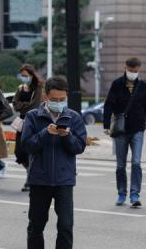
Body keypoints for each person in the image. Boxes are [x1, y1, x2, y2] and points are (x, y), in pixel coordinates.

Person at [22, 76, 87, 249]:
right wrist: (45, 133)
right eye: (54, 100)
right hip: (39, 179)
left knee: (65, 226)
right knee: (36, 226)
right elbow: (27, 145)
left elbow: (79, 147)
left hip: (64, 180)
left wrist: (68, 136)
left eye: (62, 99)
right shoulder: (33, 116)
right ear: (45, 97)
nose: (59, 103)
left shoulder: (74, 117)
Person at [103, 57, 146, 208]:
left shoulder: (143, 86)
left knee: (136, 162)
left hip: (138, 128)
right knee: (120, 165)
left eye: (136, 71)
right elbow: (108, 105)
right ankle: (121, 193)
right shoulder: (117, 84)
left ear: (139, 69)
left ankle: (134, 194)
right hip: (120, 131)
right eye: (131, 70)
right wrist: (106, 125)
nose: (133, 73)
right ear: (125, 67)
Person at [12, 64, 43, 192]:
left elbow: (34, 106)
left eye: (26, 75)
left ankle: (30, 179)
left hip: (33, 122)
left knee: (30, 151)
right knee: (19, 152)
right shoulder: (21, 88)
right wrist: (24, 105)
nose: (24, 78)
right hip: (22, 123)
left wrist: (22, 105)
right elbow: (15, 104)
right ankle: (31, 175)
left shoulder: (38, 87)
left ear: (31, 74)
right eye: (22, 75)